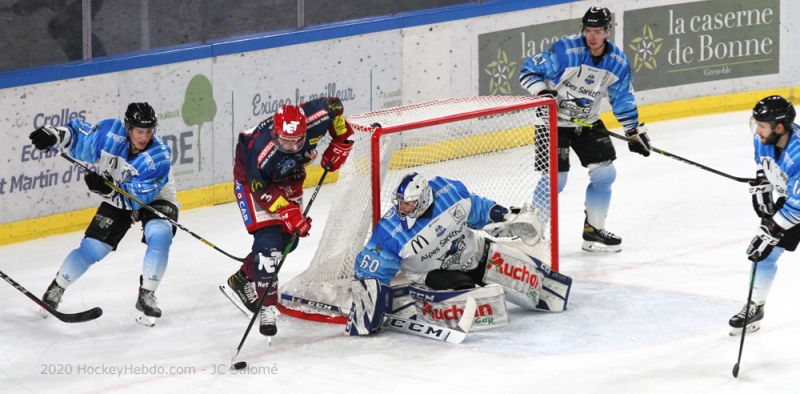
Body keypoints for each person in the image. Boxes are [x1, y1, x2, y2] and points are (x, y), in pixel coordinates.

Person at [345, 172, 573, 336]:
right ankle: (419, 300)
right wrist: (367, 300)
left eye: (409, 204)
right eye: (401, 204)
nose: (402, 209)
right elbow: (372, 269)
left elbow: (478, 209)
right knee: (471, 298)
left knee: (543, 288)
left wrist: (505, 216)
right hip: (435, 272)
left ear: (424, 199)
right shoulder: (390, 231)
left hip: (474, 252)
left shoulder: (449, 192)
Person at [28, 102, 179, 327]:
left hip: (155, 197)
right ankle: (57, 287)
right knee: (92, 248)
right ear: (128, 128)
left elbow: (136, 199)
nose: (144, 136)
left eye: (148, 131)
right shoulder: (111, 133)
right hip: (117, 191)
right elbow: (79, 136)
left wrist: (105, 189)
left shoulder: (158, 157)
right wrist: (54, 135)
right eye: (139, 131)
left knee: (160, 233)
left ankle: (147, 293)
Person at [519, 6, 652, 253]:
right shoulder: (566, 51)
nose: (592, 36)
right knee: (555, 180)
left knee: (605, 175)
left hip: (587, 121)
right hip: (552, 121)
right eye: (589, 30)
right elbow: (528, 70)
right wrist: (542, 93)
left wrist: (632, 131)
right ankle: (533, 234)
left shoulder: (617, 62)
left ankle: (594, 230)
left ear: (608, 31)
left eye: (598, 31)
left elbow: (622, 98)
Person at [220, 98, 354, 338]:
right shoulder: (261, 154)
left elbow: (335, 107)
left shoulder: (319, 116)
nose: (292, 147)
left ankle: (243, 278)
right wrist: (287, 210)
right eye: (285, 141)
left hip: (290, 176)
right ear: (274, 134)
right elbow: (260, 190)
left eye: (296, 142)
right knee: (269, 244)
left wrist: (340, 139)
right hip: (256, 184)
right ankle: (267, 307)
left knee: (289, 242)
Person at [729, 95, 800, 336]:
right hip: (793, 200)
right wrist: (763, 183)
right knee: (765, 254)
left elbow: (798, 206)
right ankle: (755, 308)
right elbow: (762, 162)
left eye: (762, 125)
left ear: (779, 127)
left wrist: (771, 229)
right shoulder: (764, 138)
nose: (757, 130)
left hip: (797, 204)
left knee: (766, 241)